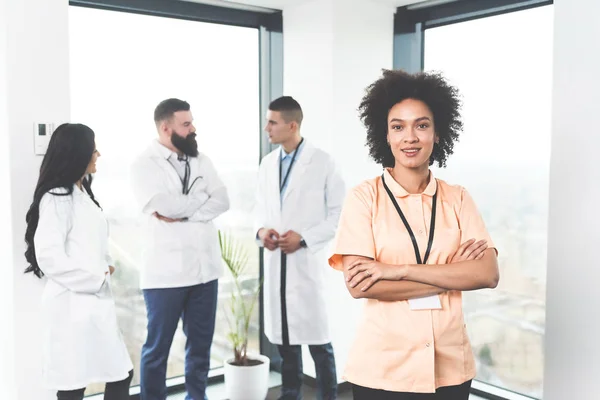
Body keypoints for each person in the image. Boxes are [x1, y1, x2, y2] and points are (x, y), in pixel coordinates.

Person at [328, 70, 500, 400]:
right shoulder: (364, 197)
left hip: (450, 368)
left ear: (437, 134)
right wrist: (452, 274)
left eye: (422, 125)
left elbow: (487, 274)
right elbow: (361, 284)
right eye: (398, 127)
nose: (410, 137)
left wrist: (397, 270)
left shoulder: (458, 198)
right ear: (386, 136)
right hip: (383, 370)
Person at [24, 123, 134, 400]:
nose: (98, 154)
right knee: (73, 384)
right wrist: (98, 276)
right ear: (77, 153)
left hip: (92, 305)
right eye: (92, 148)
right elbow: (49, 256)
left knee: (119, 372)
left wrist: (105, 265)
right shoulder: (56, 198)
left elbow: (91, 242)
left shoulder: (81, 193)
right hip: (71, 306)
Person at [130, 98, 229, 400]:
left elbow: (222, 201)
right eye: (186, 124)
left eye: (191, 122)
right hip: (165, 276)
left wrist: (183, 213)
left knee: (200, 348)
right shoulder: (143, 165)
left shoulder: (202, 160)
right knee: (156, 350)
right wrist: (200, 204)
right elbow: (161, 205)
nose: (193, 128)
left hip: (204, 273)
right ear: (165, 127)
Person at [255, 96, 345, 400]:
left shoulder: (322, 162)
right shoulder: (267, 165)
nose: (266, 127)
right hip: (277, 264)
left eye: (272, 122)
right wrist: (262, 231)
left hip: (305, 264)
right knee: (285, 343)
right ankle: (290, 394)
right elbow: (260, 211)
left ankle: (328, 397)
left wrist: (303, 238)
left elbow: (338, 216)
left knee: (319, 344)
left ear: (292, 125)